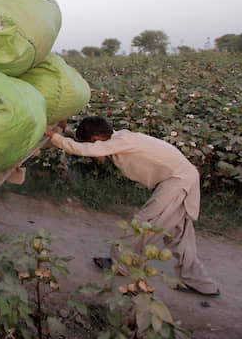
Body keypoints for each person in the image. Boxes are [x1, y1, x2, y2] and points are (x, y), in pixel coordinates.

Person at [44, 116, 220, 296]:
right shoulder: (120, 138)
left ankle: (120, 264)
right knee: (180, 236)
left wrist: (52, 135)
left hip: (177, 182)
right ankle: (204, 285)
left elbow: (83, 149)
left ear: (97, 139)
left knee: (143, 224)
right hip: (182, 178)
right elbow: (88, 144)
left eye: (93, 143)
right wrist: (65, 132)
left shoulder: (119, 143)